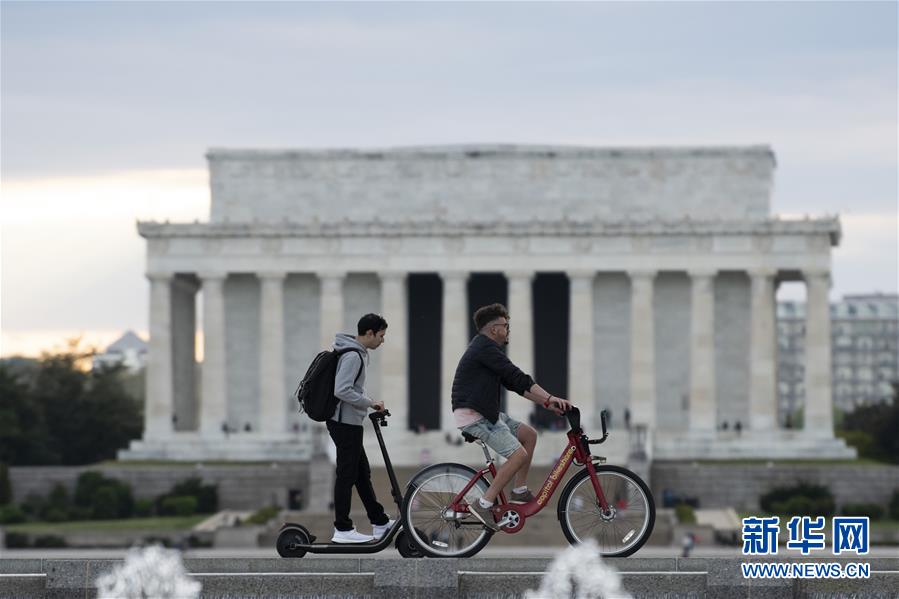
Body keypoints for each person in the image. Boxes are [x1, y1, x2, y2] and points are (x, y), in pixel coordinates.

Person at [451, 303, 573, 531]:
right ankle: (484, 503)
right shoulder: (484, 348)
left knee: (529, 435)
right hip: (475, 415)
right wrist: (550, 397)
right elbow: (518, 376)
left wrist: (548, 402)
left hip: (486, 413)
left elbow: (516, 384)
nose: (508, 331)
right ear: (494, 329)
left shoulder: (487, 350)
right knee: (518, 454)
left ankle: (519, 490)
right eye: (506, 326)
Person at [327, 313, 394, 543]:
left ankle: (380, 522)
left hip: (349, 422)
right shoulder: (354, 355)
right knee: (346, 474)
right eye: (381, 336)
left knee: (361, 474)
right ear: (369, 333)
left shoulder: (354, 352)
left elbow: (350, 388)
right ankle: (343, 529)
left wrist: (369, 400)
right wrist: (369, 403)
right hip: (344, 423)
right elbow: (342, 390)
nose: (382, 341)